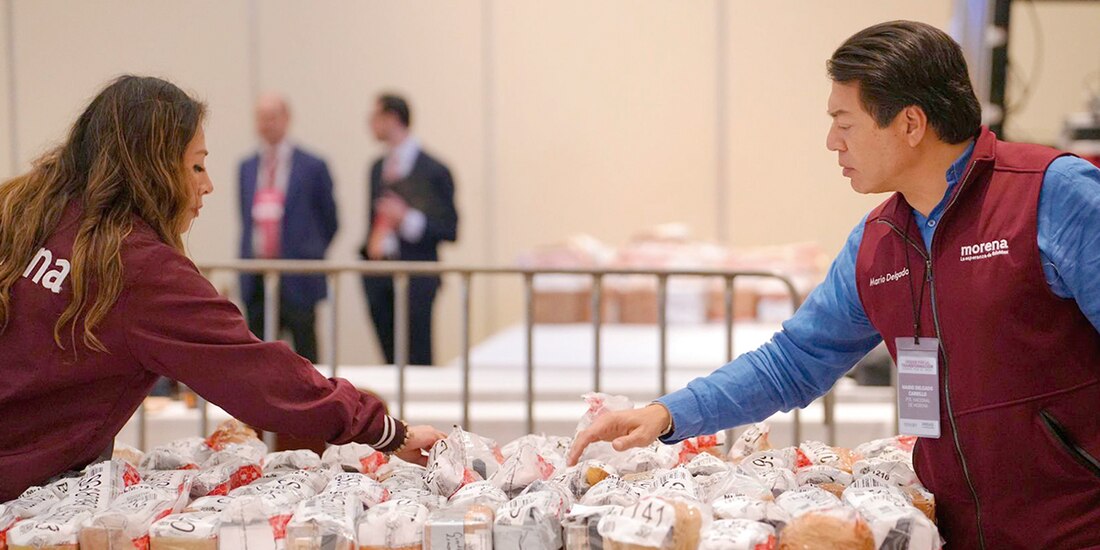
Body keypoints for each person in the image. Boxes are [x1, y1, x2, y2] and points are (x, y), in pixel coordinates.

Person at [569, 21, 1100, 548]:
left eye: (844, 122)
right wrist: (667, 414)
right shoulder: (880, 241)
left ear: (910, 123)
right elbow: (793, 362)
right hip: (956, 530)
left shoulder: (1050, 195)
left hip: (1074, 525)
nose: (831, 142)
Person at [0, 75, 445, 502]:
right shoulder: (137, 267)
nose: (207, 184)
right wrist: (389, 432)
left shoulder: (22, 211)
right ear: (154, 170)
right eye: (195, 165)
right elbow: (260, 375)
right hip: (21, 486)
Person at [359, 93, 458, 365]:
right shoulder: (377, 167)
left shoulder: (434, 169)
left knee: (417, 357)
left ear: (392, 118)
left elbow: (450, 228)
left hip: (417, 277)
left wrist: (407, 220)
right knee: (389, 357)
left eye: (376, 117)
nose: (371, 124)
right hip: (379, 275)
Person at [239, 93, 338, 363]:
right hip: (257, 275)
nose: (266, 124)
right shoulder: (247, 167)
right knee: (258, 352)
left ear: (286, 119)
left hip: (298, 274)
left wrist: (308, 252)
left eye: (272, 117)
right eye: (261, 118)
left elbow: (330, 221)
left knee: (306, 350)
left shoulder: (313, 166)